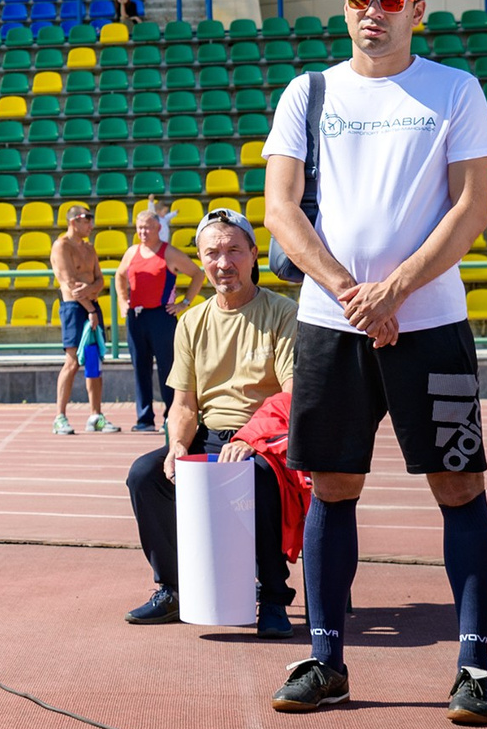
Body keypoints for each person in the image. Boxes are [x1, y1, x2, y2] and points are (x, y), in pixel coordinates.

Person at [262, 0, 487, 725]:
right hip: (331, 325)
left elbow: (470, 208)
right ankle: (326, 658)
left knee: (458, 486)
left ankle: (474, 665)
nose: (374, 11)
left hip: (430, 323)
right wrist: (352, 294)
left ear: (417, 10)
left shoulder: (455, 89)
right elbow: (280, 208)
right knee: (332, 485)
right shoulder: (309, 91)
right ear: (346, 8)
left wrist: (394, 290)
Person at [122, 211, 299, 636]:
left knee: (256, 475)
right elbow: (183, 404)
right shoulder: (191, 321)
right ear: (201, 261)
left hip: (267, 440)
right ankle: (173, 588)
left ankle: (274, 597)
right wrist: (178, 446)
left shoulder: (283, 313)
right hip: (210, 437)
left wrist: (250, 439)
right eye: (212, 253)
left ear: (254, 254)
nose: (224, 263)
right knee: (145, 475)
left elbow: (293, 394)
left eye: (234, 250)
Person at [115, 207, 194, 432]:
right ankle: (144, 419)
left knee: (168, 367)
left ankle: (172, 415)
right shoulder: (132, 252)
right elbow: (119, 275)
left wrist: (185, 302)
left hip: (162, 315)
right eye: (140, 228)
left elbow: (197, 274)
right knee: (140, 366)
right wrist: (122, 300)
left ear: (158, 228)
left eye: (148, 228)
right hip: (136, 316)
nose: (143, 232)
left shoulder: (170, 253)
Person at [49, 203, 115, 434]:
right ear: (73, 221)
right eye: (86, 220)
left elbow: (100, 280)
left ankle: (95, 415)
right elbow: (69, 283)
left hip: (91, 307)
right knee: (72, 362)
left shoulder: (89, 248)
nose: (90, 225)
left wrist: (90, 297)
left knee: (94, 361)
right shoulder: (62, 246)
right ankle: (60, 416)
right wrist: (90, 309)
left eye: (91, 220)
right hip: (74, 308)